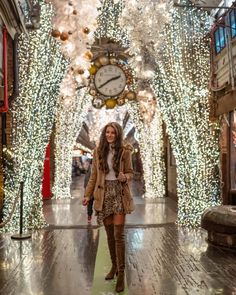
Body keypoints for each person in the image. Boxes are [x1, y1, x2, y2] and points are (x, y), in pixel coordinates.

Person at [82, 122, 134, 293]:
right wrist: (87, 195)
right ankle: (114, 267)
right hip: (103, 195)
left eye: (113, 132)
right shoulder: (98, 152)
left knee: (119, 235)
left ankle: (121, 274)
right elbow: (93, 176)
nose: (109, 135)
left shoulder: (125, 152)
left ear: (118, 134)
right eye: (107, 132)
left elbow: (131, 173)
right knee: (110, 236)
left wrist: (124, 177)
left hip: (119, 193)